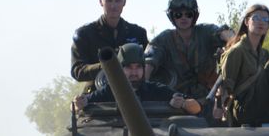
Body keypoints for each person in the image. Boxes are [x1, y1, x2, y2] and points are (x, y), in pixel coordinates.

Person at [145, 0, 235, 101]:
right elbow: (148, 62)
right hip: (175, 101)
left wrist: (232, 43)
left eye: (189, 14)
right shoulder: (163, 39)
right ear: (171, 16)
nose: (184, 18)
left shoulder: (205, 31)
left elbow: (224, 33)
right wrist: (144, 90)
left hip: (208, 99)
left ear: (195, 15)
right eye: (178, 15)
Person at [73, 43, 201, 114]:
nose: (134, 72)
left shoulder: (156, 90)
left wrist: (183, 103)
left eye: (138, 67)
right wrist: (78, 103)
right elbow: (75, 106)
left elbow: (196, 107)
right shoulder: (109, 91)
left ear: (144, 69)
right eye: (129, 67)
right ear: (120, 70)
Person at [71, 0, 149, 91]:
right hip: (97, 94)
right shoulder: (85, 34)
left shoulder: (137, 33)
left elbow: (148, 64)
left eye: (117, 1)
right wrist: (108, 65)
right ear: (100, 2)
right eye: (109, 1)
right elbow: (77, 71)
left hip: (133, 93)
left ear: (124, 2)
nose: (113, 6)